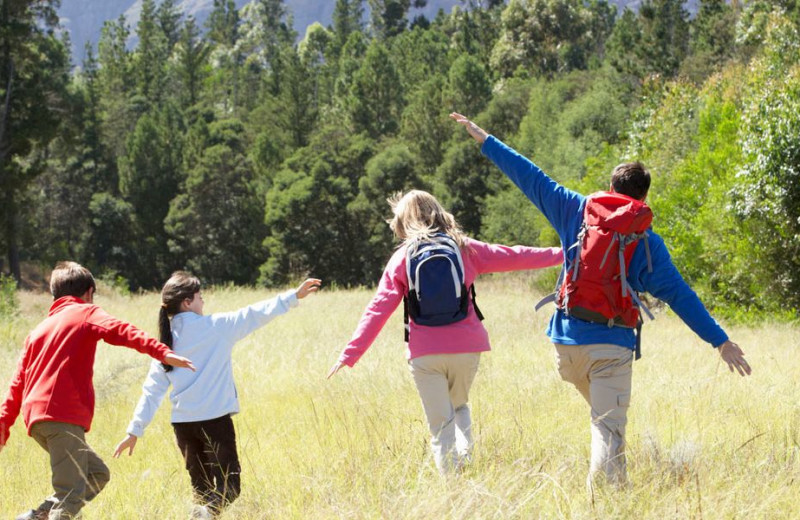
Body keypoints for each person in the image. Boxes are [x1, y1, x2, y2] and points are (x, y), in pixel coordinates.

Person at [449, 112, 752, 488]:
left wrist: (485, 139)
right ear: (642, 199)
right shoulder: (646, 241)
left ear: (609, 186)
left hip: (566, 348)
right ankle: (606, 502)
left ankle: (621, 492)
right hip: (610, 347)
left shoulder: (575, 210)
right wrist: (720, 341)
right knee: (608, 429)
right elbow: (680, 296)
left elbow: (530, 177)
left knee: (608, 421)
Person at [327, 190, 562, 474]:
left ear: (403, 222)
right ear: (438, 212)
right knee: (459, 405)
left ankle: (451, 492)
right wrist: (564, 255)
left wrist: (350, 354)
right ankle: (466, 458)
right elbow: (515, 255)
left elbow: (378, 309)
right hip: (467, 348)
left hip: (424, 354)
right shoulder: (464, 248)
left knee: (440, 428)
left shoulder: (402, 257)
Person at [113, 271, 321, 519]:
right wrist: (293, 296)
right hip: (215, 424)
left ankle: (201, 514)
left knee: (202, 493)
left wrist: (134, 431)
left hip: (183, 427)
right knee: (229, 489)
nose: (204, 302)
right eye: (200, 297)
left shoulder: (165, 343)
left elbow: (152, 390)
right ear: (187, 302)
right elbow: (255, 314)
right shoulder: (216, 327)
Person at [0, 261, 195, 520]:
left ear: (54, 295)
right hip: (61, 418)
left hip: (38, 421)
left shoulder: (37, 331)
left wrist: (2, 431)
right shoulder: (86, 312)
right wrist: (163, 352)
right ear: (89, 292)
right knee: (70, 494)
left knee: (97, 474)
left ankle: (36, 516)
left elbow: (16, 387)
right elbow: (123, 331)